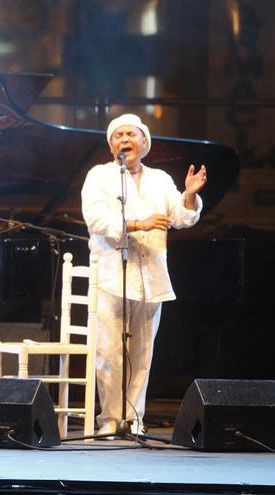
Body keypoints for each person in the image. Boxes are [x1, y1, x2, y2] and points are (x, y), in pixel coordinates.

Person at [81, 113, 207, 438]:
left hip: (150, 276)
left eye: (131, 134)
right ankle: (110, 420)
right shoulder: (99, 176)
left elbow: (180, 217)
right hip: (110, 276)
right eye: (118, 135)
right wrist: (139, 224)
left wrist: (190, 195)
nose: (125, 140)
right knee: (108, 353)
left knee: (143, 354)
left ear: (144, 142)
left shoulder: (161, 179)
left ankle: (133, 419)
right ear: (111, 146)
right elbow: (96, 219)